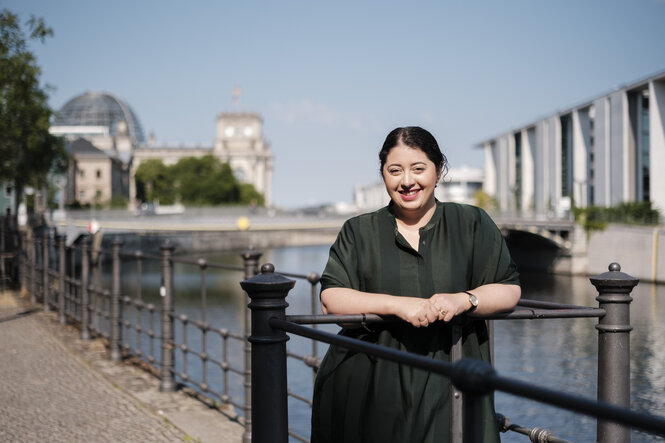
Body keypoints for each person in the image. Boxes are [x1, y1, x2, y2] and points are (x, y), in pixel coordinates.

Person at [311, 126, 521, 443]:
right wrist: (399, 305)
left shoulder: (471, 223)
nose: (407, 181)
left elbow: (509, 289)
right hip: (369, 385)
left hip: (452, 383)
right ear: (383, 175)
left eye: (418, 169)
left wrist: (464, 300)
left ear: (438, 171)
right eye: (395, 171)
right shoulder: (358, 230)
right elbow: (332, 299)